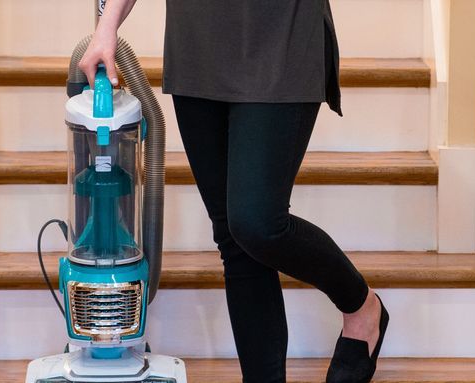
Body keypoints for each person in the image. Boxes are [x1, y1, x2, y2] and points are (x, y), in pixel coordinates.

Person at [79, 1, 389, 382]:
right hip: (198, 42)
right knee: (234, 238)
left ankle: (360, 306)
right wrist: (107, 25)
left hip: (281, 33)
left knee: (257, 223)